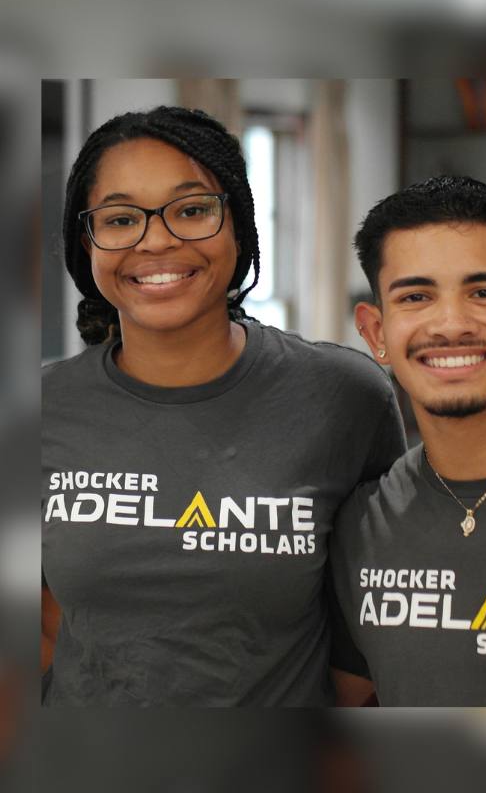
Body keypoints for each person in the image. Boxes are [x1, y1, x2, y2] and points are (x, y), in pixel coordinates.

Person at [41, 106, 406, 706]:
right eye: (120, 218)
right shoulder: (43, 409)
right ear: (88, 243)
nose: (156, 240)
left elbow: (374, 615)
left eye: (192, 210)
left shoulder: (345, 396)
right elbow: (45, 621)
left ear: (238, 223)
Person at [330, 176, 486, 706]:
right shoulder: (361, 527)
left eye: (484, 292)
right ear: (375, 334)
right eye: (416, 296)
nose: (451, 324)